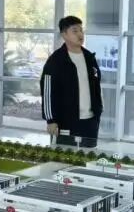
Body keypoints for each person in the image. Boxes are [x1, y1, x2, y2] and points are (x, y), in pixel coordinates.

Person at [40, 16, 102, 147]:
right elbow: (47, 92)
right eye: (75, 31)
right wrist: (51, 120)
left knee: (88, 155)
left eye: (81, 30)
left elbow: (96, 86)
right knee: (64, 155)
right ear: (64, 35)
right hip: (66, 121)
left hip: (90, 120)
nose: (80, 34)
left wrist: (98, 110)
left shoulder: (90, 57)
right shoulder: (56, 60)